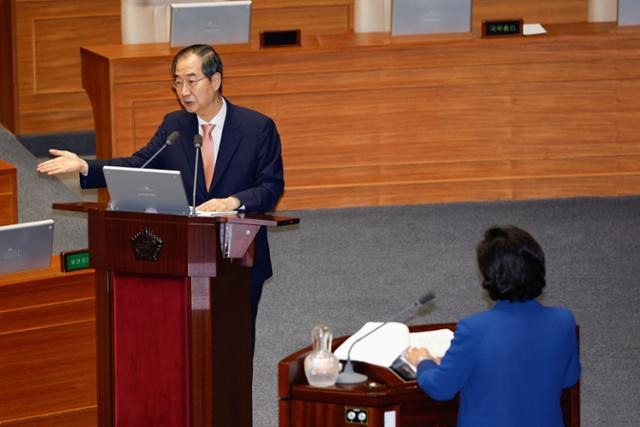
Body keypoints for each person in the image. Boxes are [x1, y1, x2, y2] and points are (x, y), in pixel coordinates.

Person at [37, 44, 284, 348]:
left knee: (233, 344)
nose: (183, 90)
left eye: (191, 81)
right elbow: (138, 163)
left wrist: (234, 202)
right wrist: (86, 165)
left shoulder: (257, 128)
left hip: (239, 255)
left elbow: (271, 186)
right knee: (183, 343)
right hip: (183, 252)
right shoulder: (175, 126)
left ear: (216, 80)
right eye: (177, 82)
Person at [405, 226, 581, 427]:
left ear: (490, 278)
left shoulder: (474, 329)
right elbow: (569, 379)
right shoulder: (564, 321)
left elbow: (440, 388)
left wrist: (423, 361)